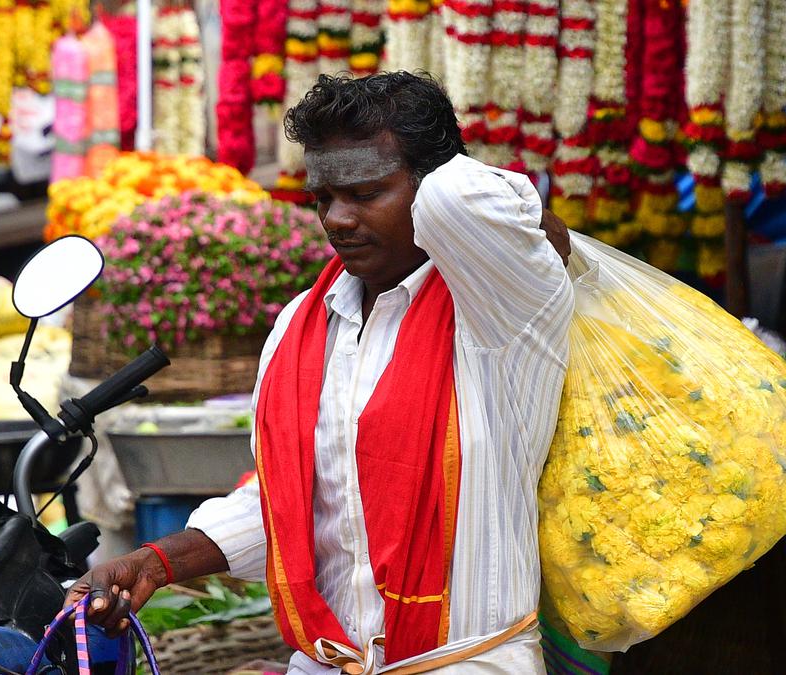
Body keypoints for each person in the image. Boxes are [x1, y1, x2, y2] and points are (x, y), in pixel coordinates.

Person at [65, 71, 574, 674]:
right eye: (322, 197)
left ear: (430, 188)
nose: (337, 218)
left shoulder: (503, 308)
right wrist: (155, 561)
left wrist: (431, 168)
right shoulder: (299, 329)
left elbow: (469, 200)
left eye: (365, 193)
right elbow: (297, 505)